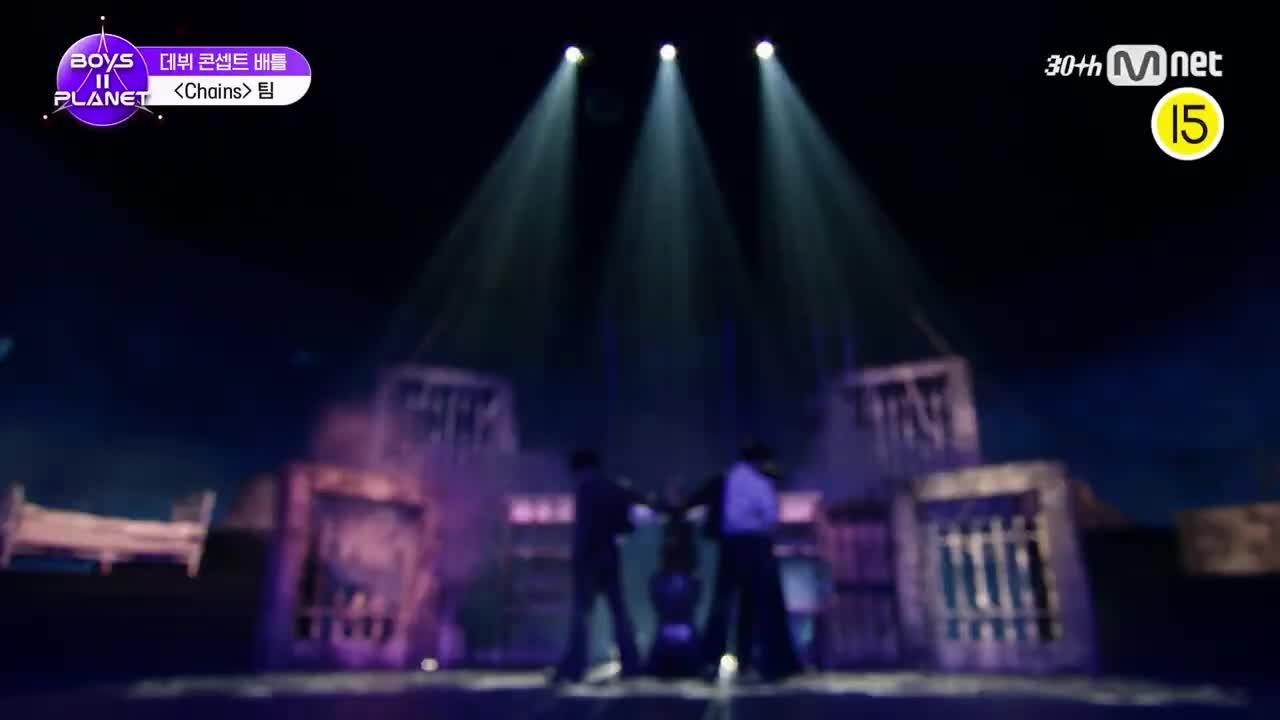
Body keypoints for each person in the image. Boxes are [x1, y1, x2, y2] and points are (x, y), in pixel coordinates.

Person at [682, 440, 803, 682]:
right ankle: (762, 663)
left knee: (724, 604)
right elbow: (770, 517)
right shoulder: (760, 482)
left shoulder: (726, 478)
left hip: (730, 547)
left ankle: (709, 661)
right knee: (762, 605)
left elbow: (697, 504)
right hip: (756, 546)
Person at [551, 449, 653, 683]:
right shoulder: (612, 487)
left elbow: (583, 530)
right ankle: (631, 663)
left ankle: (574, 666)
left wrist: (577, 557)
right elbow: (629, 520)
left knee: (581, 616)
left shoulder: (584, 488)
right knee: (619, 614)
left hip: (587, 560)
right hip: (608, 556)